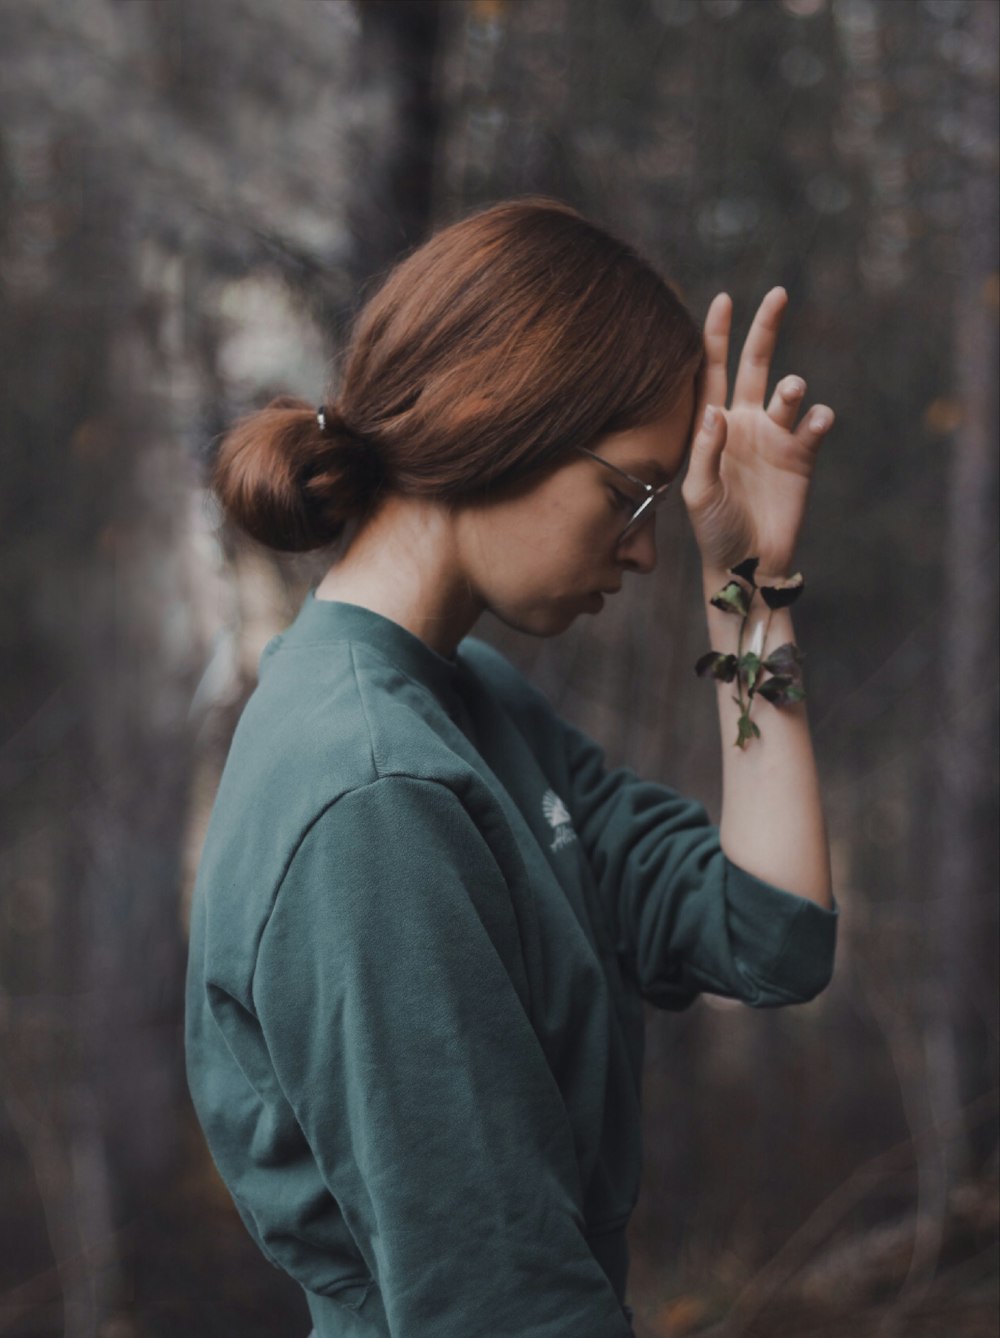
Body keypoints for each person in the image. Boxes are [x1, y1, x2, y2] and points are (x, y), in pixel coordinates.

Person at [184, 198, 838, 1338]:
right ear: (499, 419)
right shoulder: (373, 792)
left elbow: (768, 929)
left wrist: (749, 584)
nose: (645, 546)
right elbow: (498, 1307)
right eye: (629, 491)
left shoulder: (471, 696)